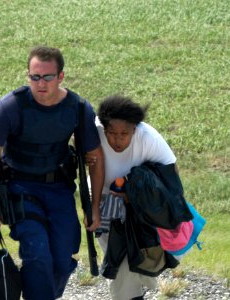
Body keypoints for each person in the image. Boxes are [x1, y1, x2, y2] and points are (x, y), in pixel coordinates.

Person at [0, 46, 104, 300]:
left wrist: (94, 207)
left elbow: (95, 158)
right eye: (34, 77)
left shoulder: (79, 108)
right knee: (37, 254)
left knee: (61, 258)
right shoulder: (11, 107)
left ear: (60, 77)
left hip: (59, 189)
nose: (40, 84)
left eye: (47, 77)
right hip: (19, 188)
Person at [86, 95, 177, 300]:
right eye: (112, 134)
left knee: (134, 258)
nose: (117, 140)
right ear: (104, 128)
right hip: (103, 202)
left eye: (124, 134)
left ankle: (134, 290)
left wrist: (135, 195)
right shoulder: (94, 132)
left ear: (135, 129)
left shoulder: (148, 138)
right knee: (119, 258)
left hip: (140, 206)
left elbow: (172, 177)